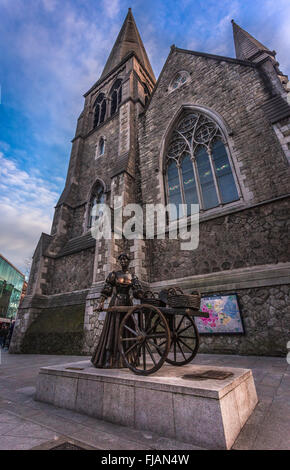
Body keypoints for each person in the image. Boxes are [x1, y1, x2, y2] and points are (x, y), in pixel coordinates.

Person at [91, 253, 143, 369]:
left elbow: (137, 290)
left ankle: (128, 358)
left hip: (127, 304)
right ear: (119, 262)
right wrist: (101, 303)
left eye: (125, 259)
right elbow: (107, 289)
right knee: (113, 330)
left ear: (129, 261)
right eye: (121, 259)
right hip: (116, 302)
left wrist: (139, 293)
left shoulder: (133, 276)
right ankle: (110, 357)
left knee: (127, 329)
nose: (123, 261)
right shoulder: (114, 274)